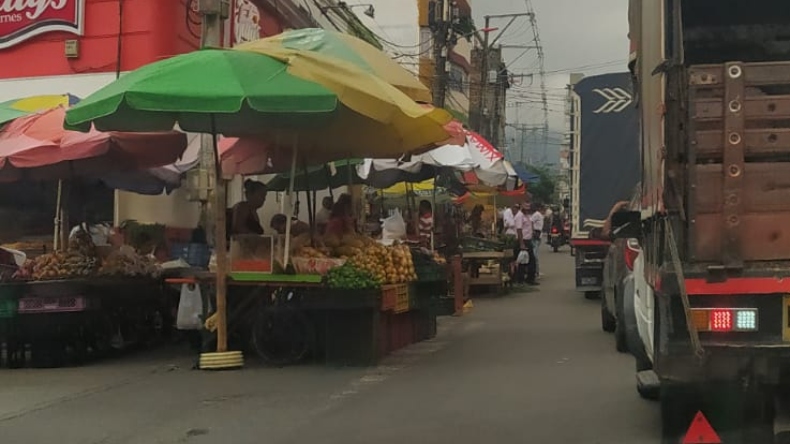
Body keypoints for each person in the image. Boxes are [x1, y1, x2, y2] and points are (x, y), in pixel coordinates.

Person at [514, 203, 538, 286]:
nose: (527, 209)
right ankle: (521, 280)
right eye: (526, 207)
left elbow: (529, 225)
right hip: (523, 241)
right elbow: (519, 230)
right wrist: (521, 243)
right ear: (522, 207)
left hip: (528, 240)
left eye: (529, 207)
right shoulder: (519, 216)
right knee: (523, 261)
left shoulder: (527, 216)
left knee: (530, 261)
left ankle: (529, 279)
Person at [530, 204, 545, 278]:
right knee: (534, 254)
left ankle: (537, 271)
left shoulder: (539, 215)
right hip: (536, 234)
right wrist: (532, 231)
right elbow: (531, 222)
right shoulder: (537, 214)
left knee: (535, 253)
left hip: (538, 234)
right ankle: (536, 272)